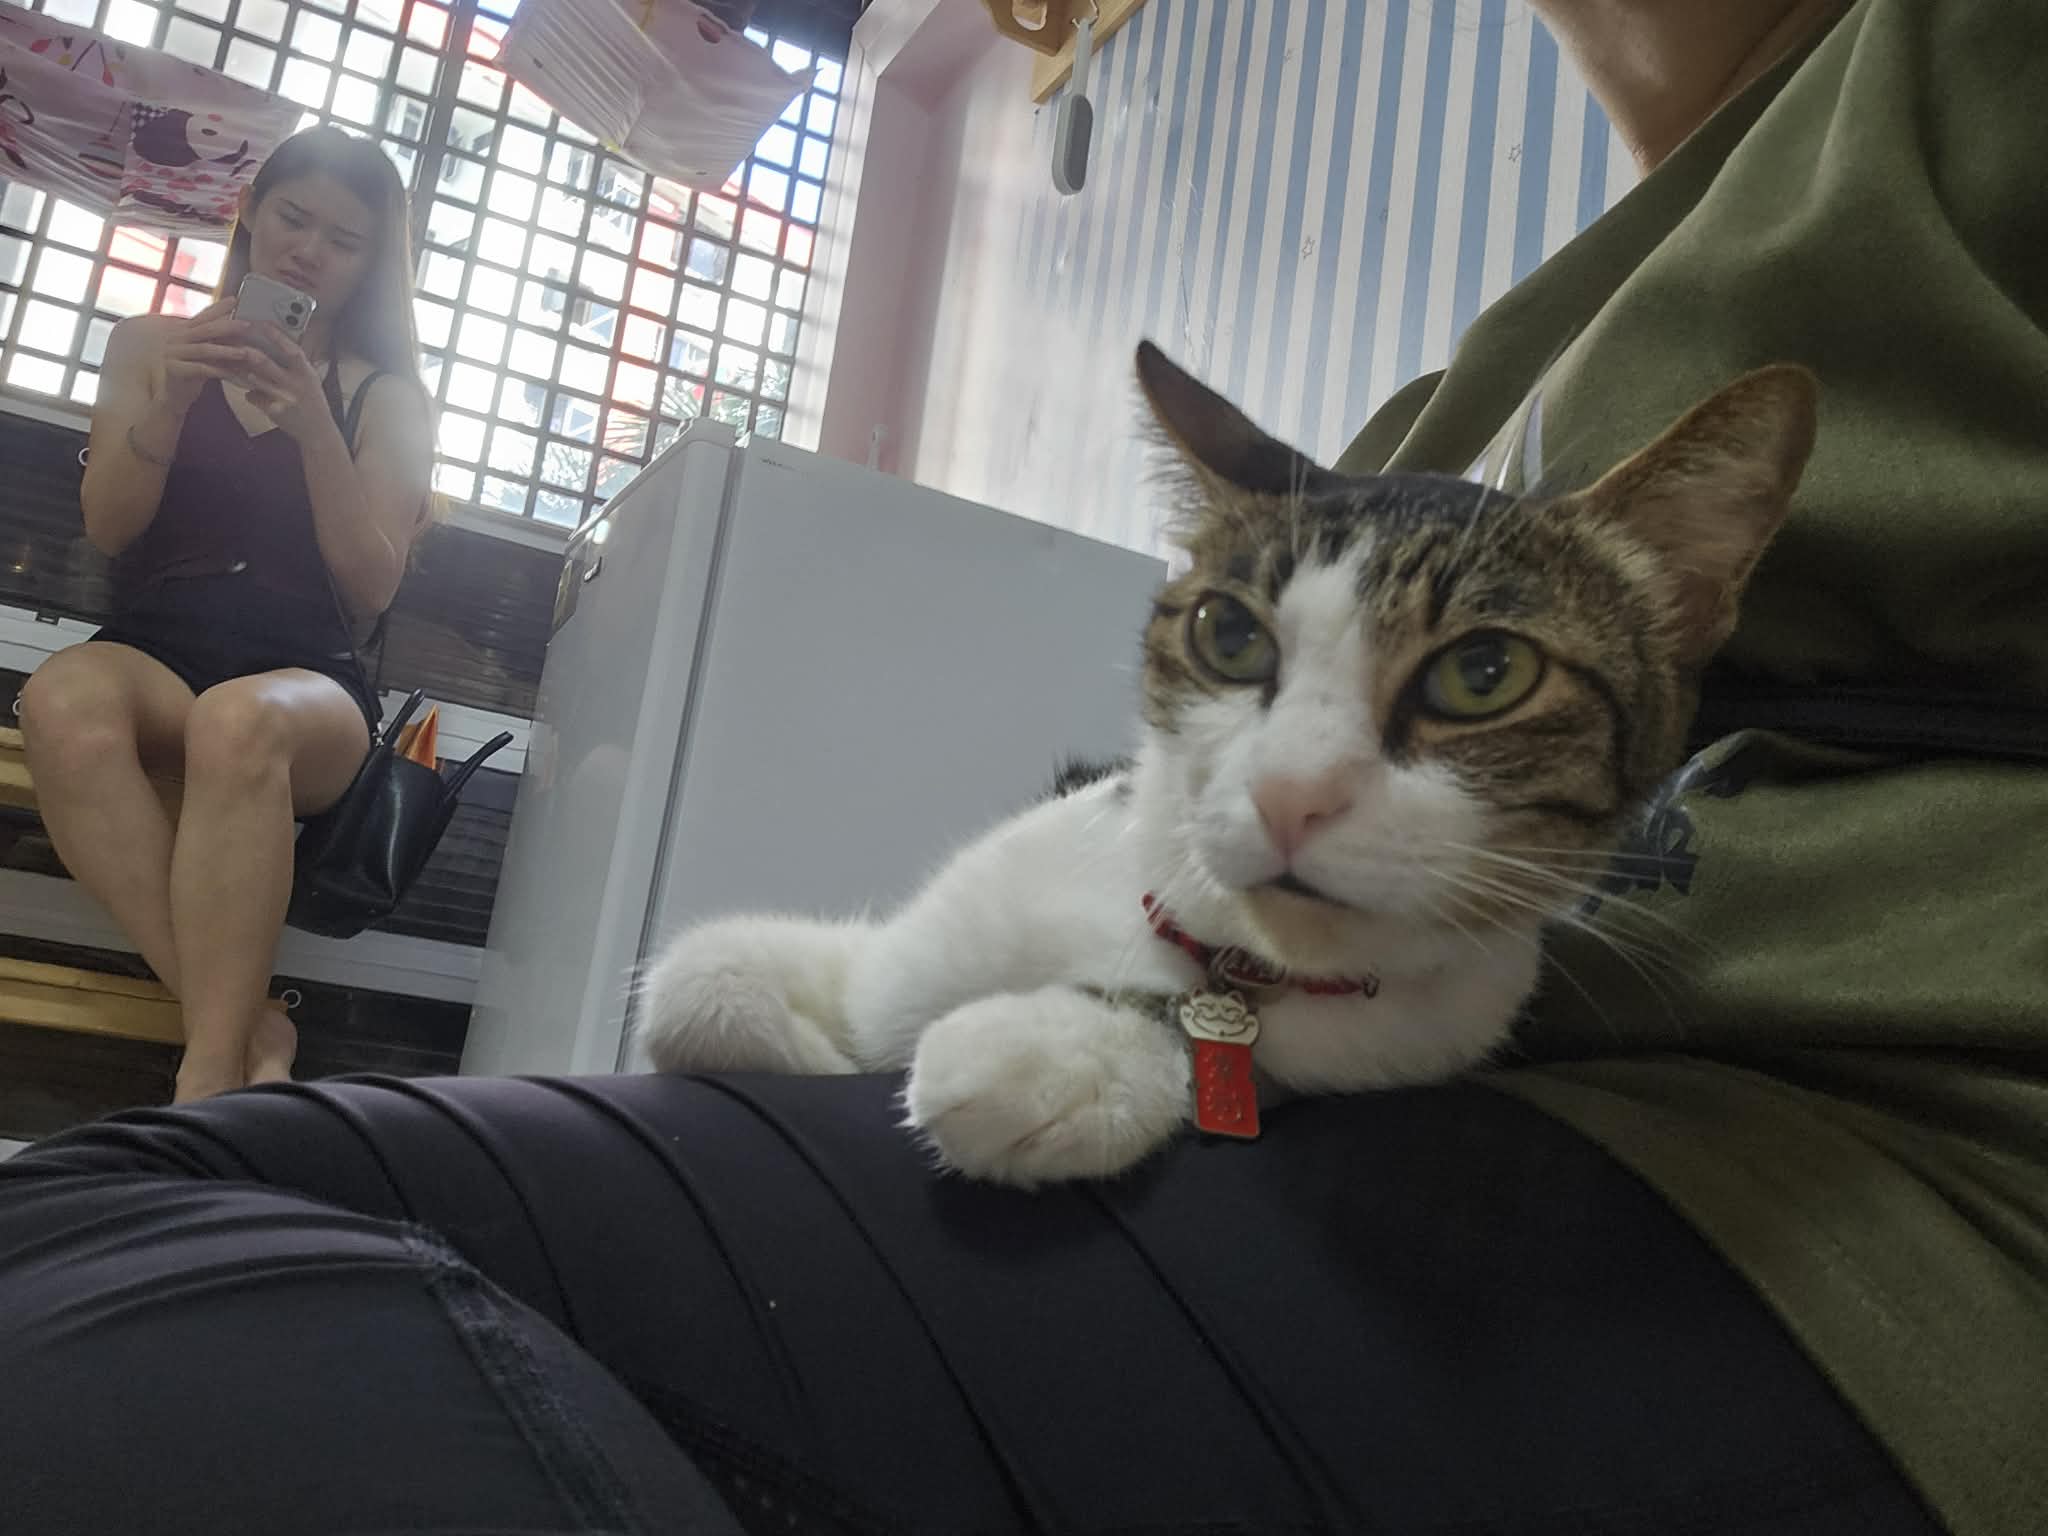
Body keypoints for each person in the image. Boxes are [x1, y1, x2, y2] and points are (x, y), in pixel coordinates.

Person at [0, 2, 2040, 1533]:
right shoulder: (1571, 304)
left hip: (1859, 1214)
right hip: (1454, 1100)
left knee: (123, 1261)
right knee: (147, 1212)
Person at [17, 126, 435, 1103]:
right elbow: (109, 528)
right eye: (293, 218)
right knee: (61, 697)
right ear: (249, 214)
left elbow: (372, 586)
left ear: (370, 264)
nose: (308, 251)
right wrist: (170, 405)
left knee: (237, 721)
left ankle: (206, 1080)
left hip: (310, 679)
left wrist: (314, 431)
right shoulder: (149, 345)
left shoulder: (386, 397)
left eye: (343, 240)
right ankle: (249, 1030)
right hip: (158, 647)